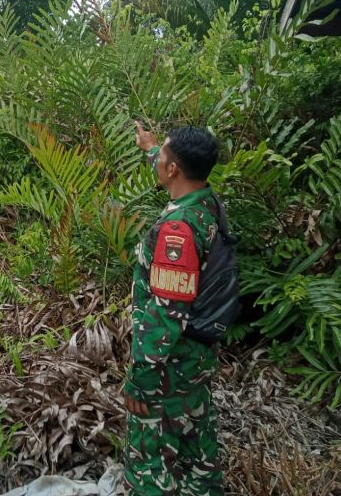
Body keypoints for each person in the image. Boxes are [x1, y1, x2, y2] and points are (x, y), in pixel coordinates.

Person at [123, 123, 225, 496]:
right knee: (198, 453)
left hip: (167, 369)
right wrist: (151, 147)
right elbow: (172, 168)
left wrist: (140, 378)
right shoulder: (206, 203)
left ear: (173, 170)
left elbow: (167, 314)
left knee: (148, 462)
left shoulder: (178, 231)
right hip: (195, 359)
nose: (158, 159)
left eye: (162, 156)